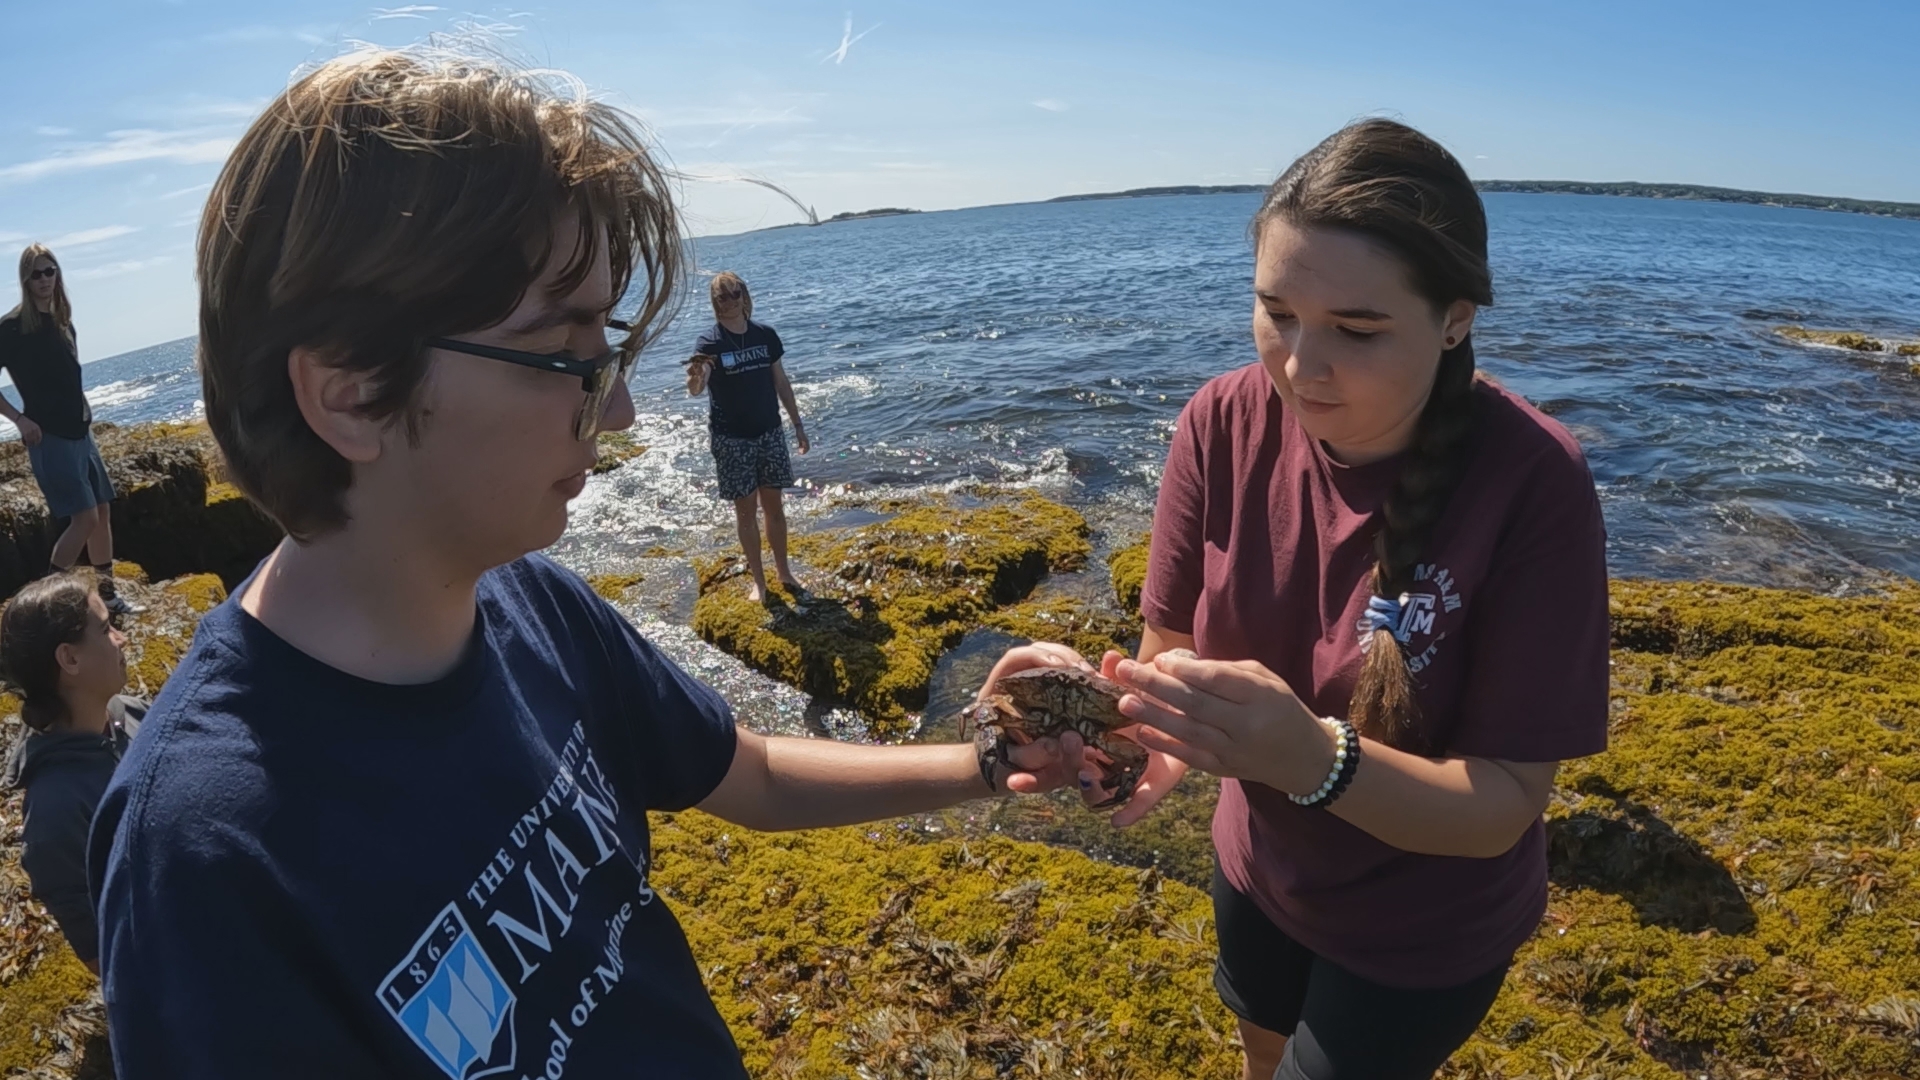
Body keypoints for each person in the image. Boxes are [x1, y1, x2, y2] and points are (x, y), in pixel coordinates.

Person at [87, 47, 1087, 1079]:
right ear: (348, 394)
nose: (616, 411)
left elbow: (743, 769)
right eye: (568, 354)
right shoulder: (203, 855)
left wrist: (983, 760)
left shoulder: (530, 604)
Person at [1100, 119, 1611, 1080]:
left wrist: (1310, 758)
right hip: (1258, 870)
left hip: (1423, 932)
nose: (1299, 365)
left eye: (1358, 329)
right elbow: (1165, 645)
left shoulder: (1534, 480)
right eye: (1277, 313)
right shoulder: (1220, 418)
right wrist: (1120, 727)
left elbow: (1502, 804)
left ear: (1455, 317)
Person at [0, 572, 145, 975]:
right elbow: (105, 955)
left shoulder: (128, 712)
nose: (121, 638)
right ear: (70, 658)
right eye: (105, 628)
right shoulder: (55, 810)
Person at [0, 246, 137, 617]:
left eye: (50, 271)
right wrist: (20, 420)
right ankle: (44, 608)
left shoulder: (63, 322)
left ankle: (108, 595)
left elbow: (68, 380)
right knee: (85, 518)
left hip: (82, 434)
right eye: (36, 274)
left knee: (102, 513)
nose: (44, 279)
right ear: (25, 280)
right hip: (49, 437)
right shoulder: (11, 328)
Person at [686, 271, 810, 602]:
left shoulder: (765, 335)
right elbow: (699, 385)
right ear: (714, 303)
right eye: (721, 297)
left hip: (769, 432)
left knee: (775, 507)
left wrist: (797, 425)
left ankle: (783, 572)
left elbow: (781, 383)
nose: (729, 301)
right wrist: (698, 377)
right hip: (732, 439)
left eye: (734, 293)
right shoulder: (709, 343)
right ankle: (760, 582)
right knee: (745, 512)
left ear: (744, 294)